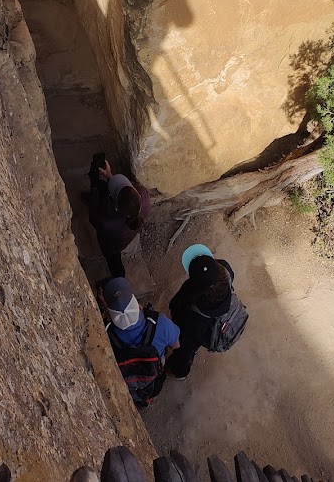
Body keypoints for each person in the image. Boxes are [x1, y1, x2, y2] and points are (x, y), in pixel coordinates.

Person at [165, 244, 248, 380]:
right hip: (214, 323)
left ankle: (180, 373)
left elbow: (177, 315)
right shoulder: (224, 268)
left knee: (185, 350)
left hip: (198, 332)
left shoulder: (191, 313)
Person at [101, 277, 179, 408]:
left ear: (109, 315)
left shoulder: (104, 335)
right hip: (152, 369)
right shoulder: (161, 323)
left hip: (127, 378)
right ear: (138, 306)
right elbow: (176, 345)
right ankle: (147, 399)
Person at [86, 156, 150, 278]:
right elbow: (125, 195)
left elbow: (93, 218)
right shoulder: (144, 195)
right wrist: (110, 176)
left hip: (113, 244)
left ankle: (119, 276)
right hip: (124, 237)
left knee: (112, 258)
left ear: (115, 206)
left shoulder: (106, 222)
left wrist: (94, 190)